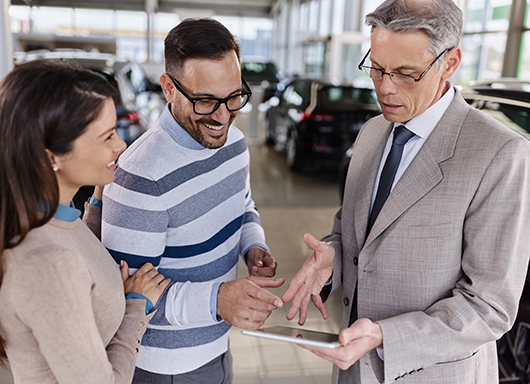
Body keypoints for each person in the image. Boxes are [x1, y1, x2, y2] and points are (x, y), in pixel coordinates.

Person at [281, 0, 530, 383]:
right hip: (352, 372)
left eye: (405, 73)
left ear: (449, 63)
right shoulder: (371, 133)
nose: (385, 87)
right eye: (377, 69)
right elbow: (353, 230)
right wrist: (332, 257)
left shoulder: (499, 153)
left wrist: (385, 337)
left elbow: (490, 306)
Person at [101, 18, 284, 383]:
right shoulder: (140, 176)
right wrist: (216, 300)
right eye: (205, 101)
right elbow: (126, 299)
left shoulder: (233, 143)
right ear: (168, 88)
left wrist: (253, 245)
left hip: (217, 346)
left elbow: (244, 205)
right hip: (164, 367)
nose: (222, 116)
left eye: (234, 97)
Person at [0, 60, 171, 384]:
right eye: (106, 136)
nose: (120, 145)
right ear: (52, 157)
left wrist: (97, 198)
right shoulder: (47, 266)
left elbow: (73, 243)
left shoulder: (43, 215)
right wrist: (136, 306)